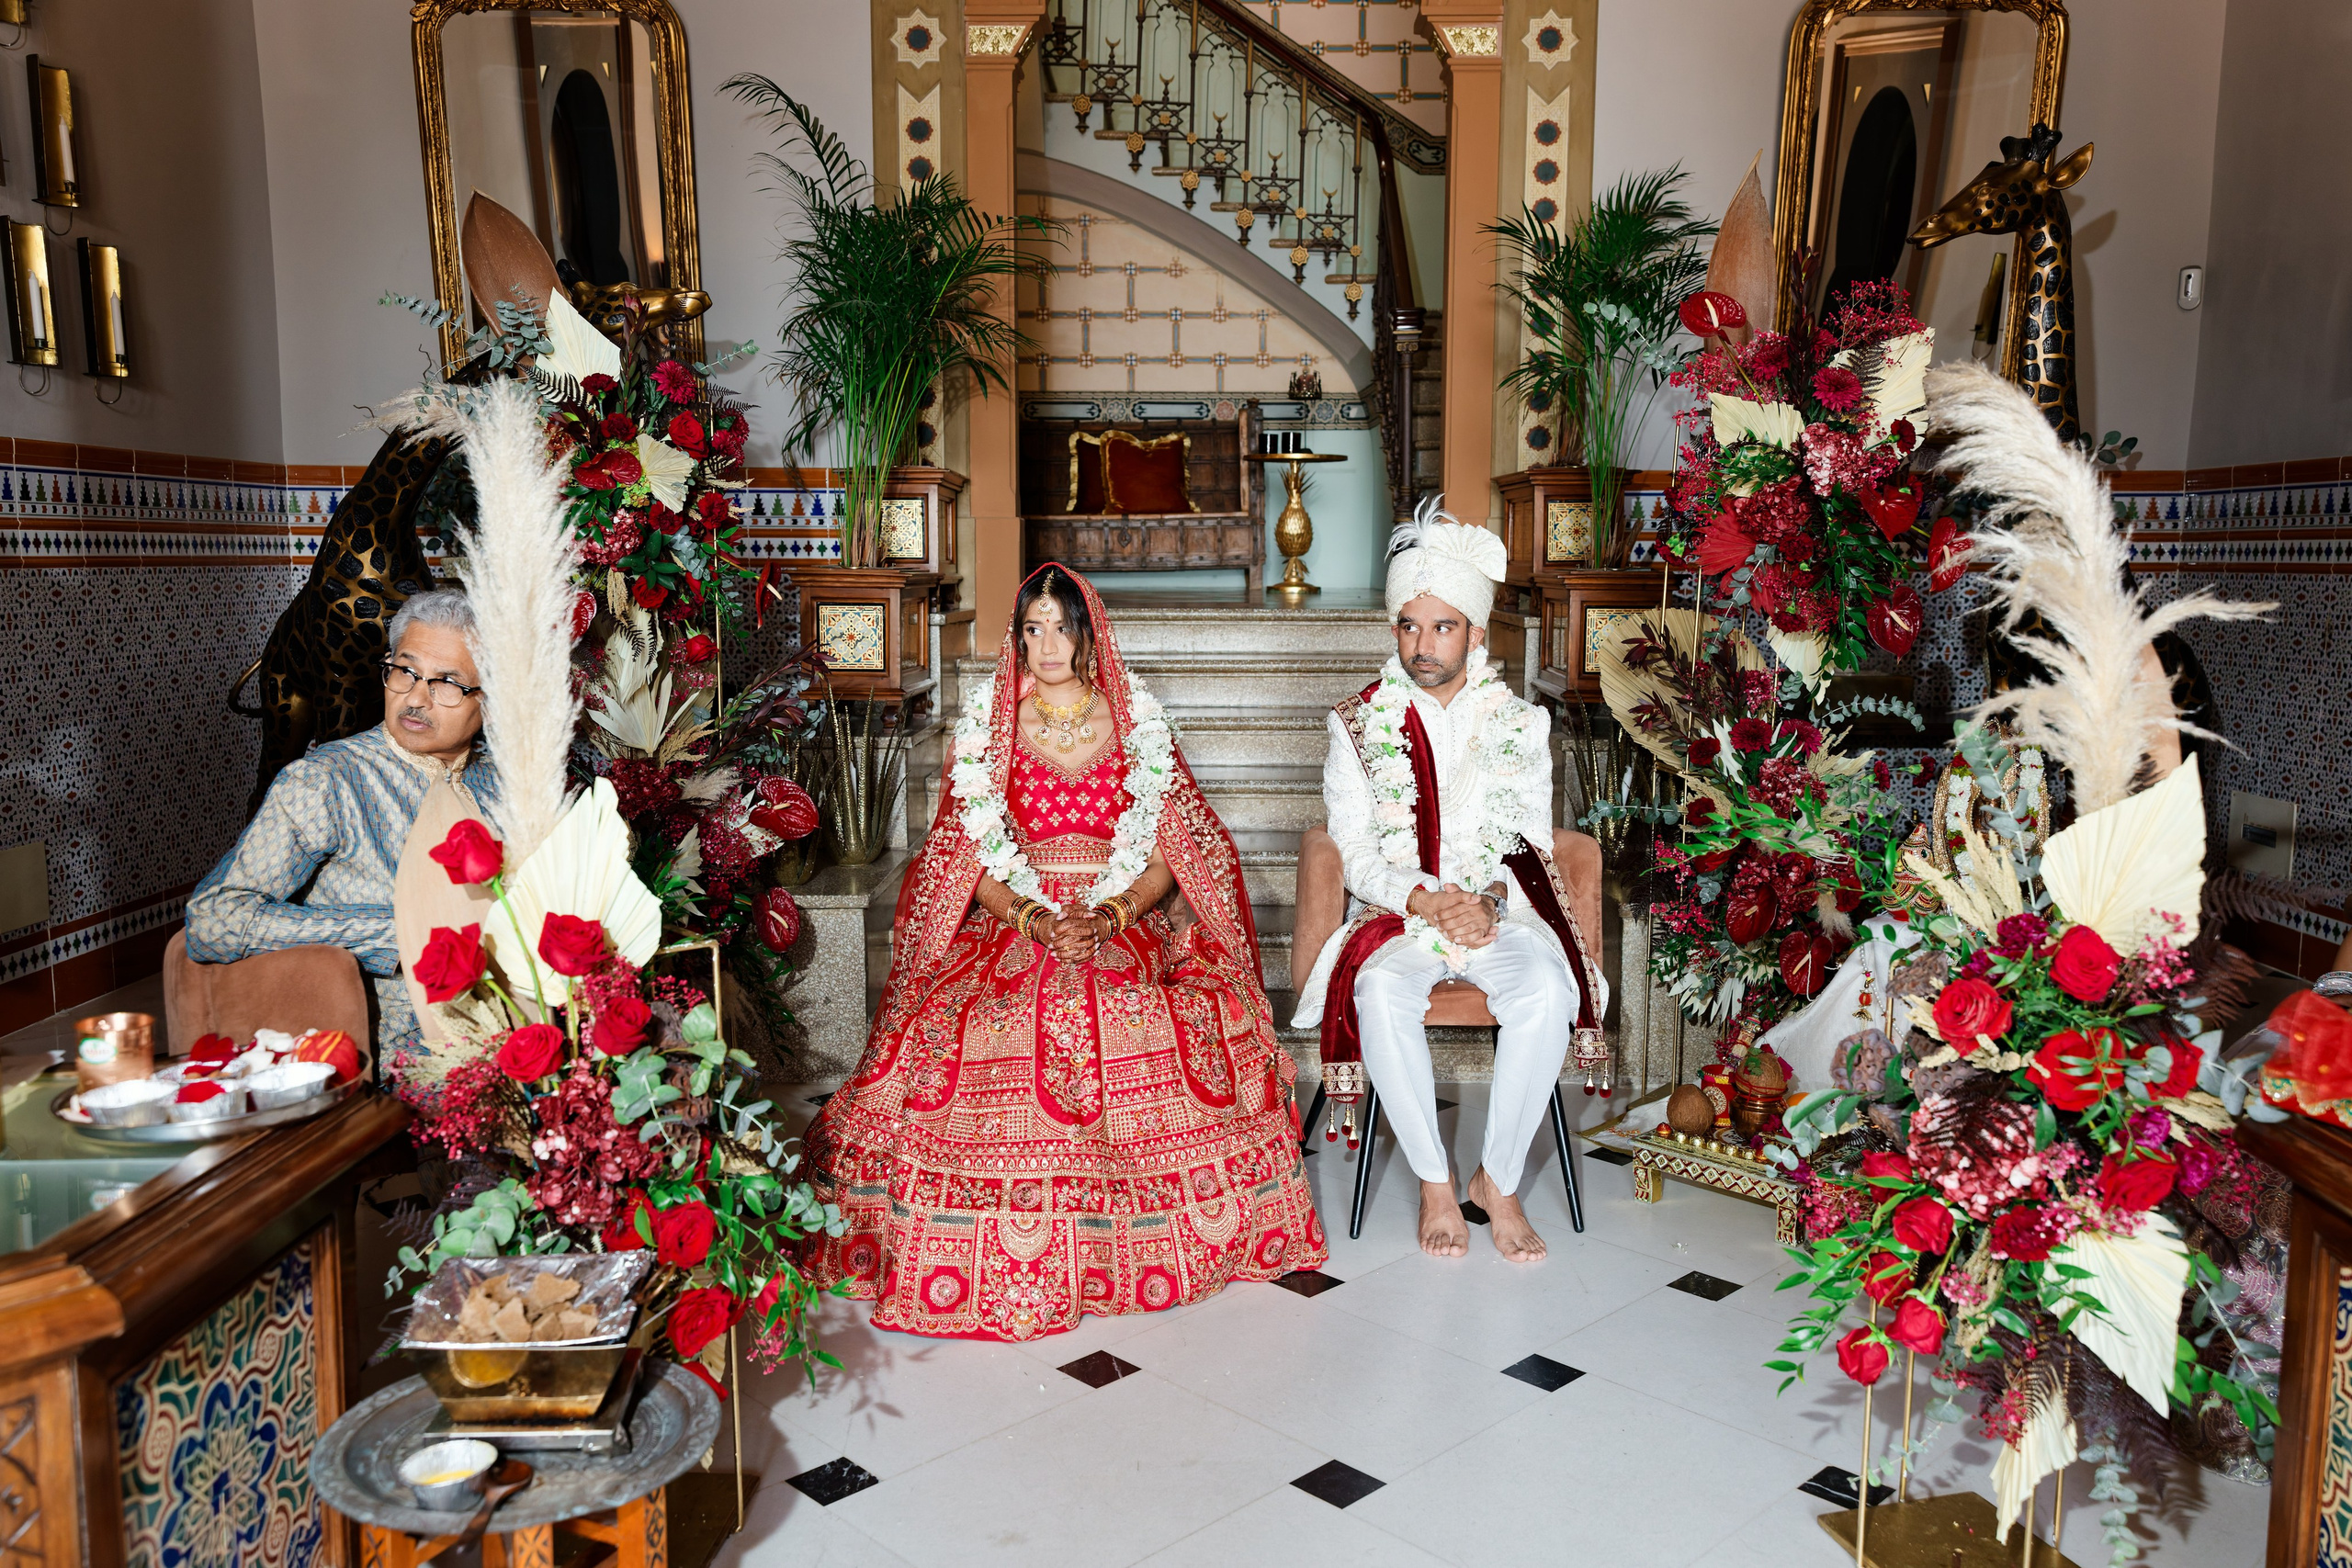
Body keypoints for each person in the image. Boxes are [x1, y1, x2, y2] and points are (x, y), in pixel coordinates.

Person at [804, 564, 1326, 1340]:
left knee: (1120, 1002)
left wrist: (1115, 913)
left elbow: (1172, 852)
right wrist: (1032, 917)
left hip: (1121, 917)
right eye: (1031, 629)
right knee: (1004, 1009)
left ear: (1090, 632)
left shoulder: (1137, 722)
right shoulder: (989, 728)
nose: (1047, 645)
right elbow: (963, 856)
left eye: (1061, 627)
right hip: (1016, 916)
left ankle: (1131, 1231)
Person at [1291, 498, 1607, 1262]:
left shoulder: (1522, 723)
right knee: (1379, 991)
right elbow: (1356, 851)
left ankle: (1495, 1181)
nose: (1422, 645)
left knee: (1547, 989)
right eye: (1408, 625)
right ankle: (1436, 1181)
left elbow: (1529, 838)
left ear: (1473, 629)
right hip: (1402, 916)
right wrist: (1425, 898)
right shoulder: (1357, 723)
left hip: (1498, 914)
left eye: (1441, 627)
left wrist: (1491, 904)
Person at [186, 589, 501, 1065]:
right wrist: (393, 934)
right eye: (405, 671)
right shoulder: (327, 782)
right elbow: (213, 920)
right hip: (402, 1054)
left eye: (447, 683)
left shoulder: (506, 785)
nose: (416, 699)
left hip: (515, 1025)